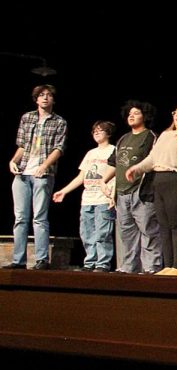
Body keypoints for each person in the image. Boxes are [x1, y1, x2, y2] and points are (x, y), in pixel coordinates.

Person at [125, 104, 177, 276]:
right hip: (159, 179)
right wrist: (136, 169)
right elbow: (152, 158)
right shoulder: (165, 135)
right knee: (163, 225)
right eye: (175, 112)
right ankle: (168, 265)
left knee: (176, 224)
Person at [8, 84, 67, 270]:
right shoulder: (27, 118)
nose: (45, 98)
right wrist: (13, 161)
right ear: (36, 99)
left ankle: (42, 259)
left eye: (49, 95)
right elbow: (22, 145)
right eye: (41, 95)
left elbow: (59, 148)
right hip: (23, 173)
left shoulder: (59, 122)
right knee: (20, 218)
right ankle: (19, 260)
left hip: (43, 174)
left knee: (39, 218)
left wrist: (44, 166)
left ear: (53, 100)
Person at [52, 121, 116, 271]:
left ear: (109, 133)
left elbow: (117, 174)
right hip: (87, 199)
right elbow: (81, 177)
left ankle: (102, 263)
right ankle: (90, 262)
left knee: (102, 233)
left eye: (101, 130)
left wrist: (112, 195)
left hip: (103, 199)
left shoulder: (114, 150)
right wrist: (64, 191)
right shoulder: (90, 153)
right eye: (94, 131)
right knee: (86, 233)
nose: (97, 133)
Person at [113, 101, 162, 274]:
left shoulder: (150, 136)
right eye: (129, 113)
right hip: (121, 193)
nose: (131, 116)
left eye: (136, 113)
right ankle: (128, 268)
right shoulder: (123, 139)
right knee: (127, 234)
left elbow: (155, 161)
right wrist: (105, 183)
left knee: (148, 230)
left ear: (145, 116)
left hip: (141, 192)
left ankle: (151, 268)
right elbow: (114, 164)